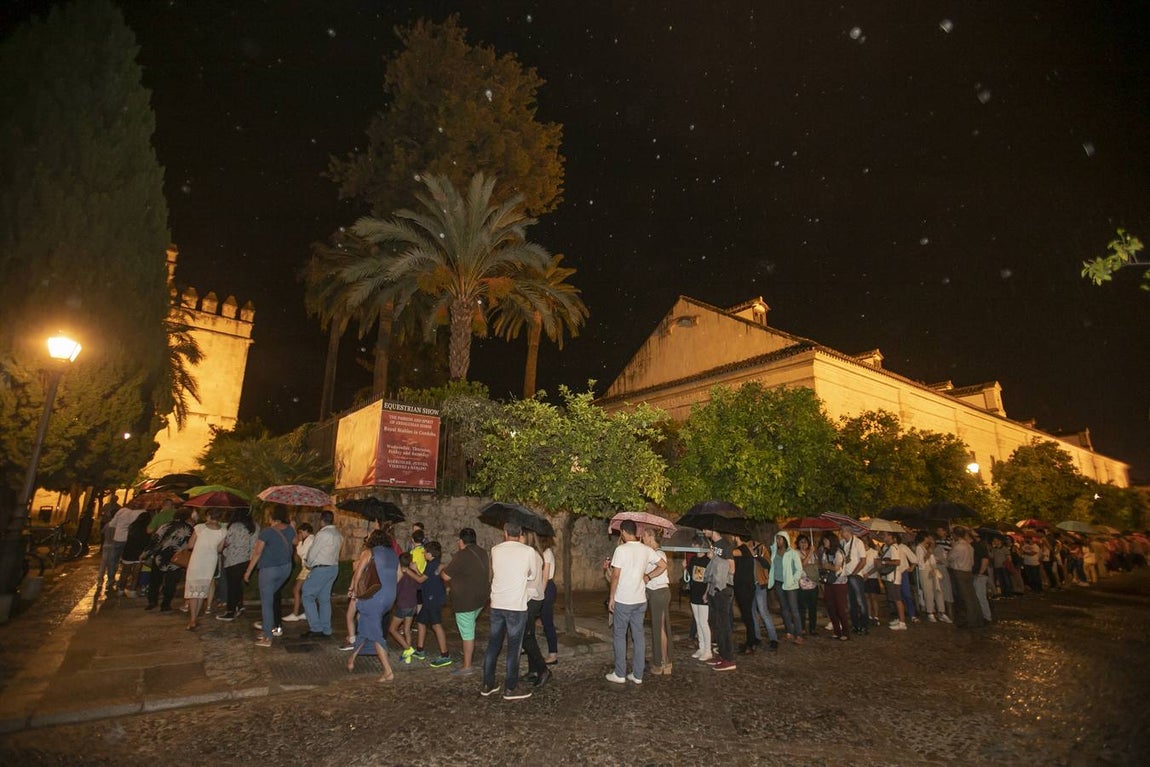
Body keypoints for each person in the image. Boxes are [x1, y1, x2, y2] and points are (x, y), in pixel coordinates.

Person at [482, 522, 538, 700]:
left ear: (505, 533)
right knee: (514, 648)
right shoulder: (528, 551)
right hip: (516, 606)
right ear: (520, 532)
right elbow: (533, 575)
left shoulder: (495, 550)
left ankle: (487, 684)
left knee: (493, 645)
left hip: (497, 603)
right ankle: (510, 687)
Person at [607, 519, 666, 683]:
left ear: (624, 532)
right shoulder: (646, 550)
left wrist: (611, 597)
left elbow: (615, 575)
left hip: (624, 600)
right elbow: (662, 565)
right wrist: (648, 576)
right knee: (638, 636)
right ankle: (638, 675)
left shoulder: (621, 550)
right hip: (640, 600)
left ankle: (620, 674)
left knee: (620, 636)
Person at [346, 528, 399, 682]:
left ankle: (388, 671)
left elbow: (358, 574)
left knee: (376, 634)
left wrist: (354, 593)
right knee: (364, 627)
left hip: (373, 597)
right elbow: (399, 575)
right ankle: (352, 659)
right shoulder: (393, 554)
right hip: (390, 597)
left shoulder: (369, 552)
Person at [244, 505, 295, 647]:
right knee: (270, 598)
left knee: (266, 603)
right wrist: (293, 526)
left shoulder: (267, 532)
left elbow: (257, 552)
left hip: (269, 570)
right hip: (286, 569)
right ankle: (268, 628)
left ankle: (267, 637)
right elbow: (295, 542)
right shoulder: (290, 529)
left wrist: (248, 571)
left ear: (272, 517)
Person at [440, 528, 489, 676]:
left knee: (467, 633)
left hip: (465, 601)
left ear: (461, 541)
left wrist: (442, 569)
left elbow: (446, 577)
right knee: (469, 627)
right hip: (480, 599)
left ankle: (467, 666)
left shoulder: (461, 555)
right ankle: (468, 647)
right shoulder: (482, 552)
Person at [410, 541, 453, 668]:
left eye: (425, 552)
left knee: (436, 625)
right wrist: (416, 570)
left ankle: (445, 655)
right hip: (430, 599)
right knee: (421, 622)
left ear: (430, 554)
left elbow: (419, 579)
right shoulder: (434, 564)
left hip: (432, 600)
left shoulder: (432, 565)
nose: (423, 553)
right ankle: (420, 649)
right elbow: (424, 578)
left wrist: (408, 570)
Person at [301, 510, 343, 639]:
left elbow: (313, 551)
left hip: (321, 568)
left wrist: (308, 563)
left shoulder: (323, 533)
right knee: (324, 599)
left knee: (307, 595)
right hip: (333, 568)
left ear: (322, 520)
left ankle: (316, 628)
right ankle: (326, 629)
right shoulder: (338, 534)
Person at [183, 508, 226, 630]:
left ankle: (192, 619)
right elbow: (219, 549)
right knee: (202, 590)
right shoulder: (223, 531)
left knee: (193, 591)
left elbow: (190, 545)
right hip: (210, 561)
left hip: (197, 560)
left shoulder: (199, 528)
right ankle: (194, 618)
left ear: (208, 516)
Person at [145, 508, 194, 613]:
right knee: (170, 582)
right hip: (176, 558)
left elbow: (155, 539)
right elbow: (190, 545)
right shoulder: (189, 529)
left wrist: (146, 552)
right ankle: (165, 604)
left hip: (160, 557)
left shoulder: (165, 525)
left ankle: (152, 602)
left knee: (155, 580)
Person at [519, 531, 551, 687]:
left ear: (528, 537)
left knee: (526, 637)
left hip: (531, 599)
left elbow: (529, 578)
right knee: (528, 635)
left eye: (522, 535)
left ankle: (543, 669)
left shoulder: (532, 554)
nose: (520, 537)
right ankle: (533, 671)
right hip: (532, 598)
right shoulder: (534, 554)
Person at [641, 528, 673, 674]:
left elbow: (662, 568)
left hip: (658, 592)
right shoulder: (655, 553)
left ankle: (660, 663)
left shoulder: (657, 553)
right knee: (661, 628)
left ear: (650, 536)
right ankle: (666, 663)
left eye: (644, 536)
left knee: (659, 629)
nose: (642, 538)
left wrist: (648, 576)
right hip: (659, 593)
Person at [216, 509, 255, 621]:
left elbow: (227, 542)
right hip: (246, 559)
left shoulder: (234, 526)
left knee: (232, 586)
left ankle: (230, 611)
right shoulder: (253, 526)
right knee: (238, 585)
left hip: (233, 559)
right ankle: (239, 606)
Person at [770, 531, 804, 643]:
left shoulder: (793, 553)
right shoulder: (774, 552)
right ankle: (789, 631)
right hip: (778, 583)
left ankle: (798, 634)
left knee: (794, 609)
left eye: (780, 539)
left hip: (790, 585)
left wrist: (793, 579)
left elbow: (799, 569)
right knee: (784, 608)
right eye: (777, 539)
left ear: (785, 540)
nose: (778, 541)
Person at [948, 527, 985, 628]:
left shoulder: (958, 547)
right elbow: (972, 561)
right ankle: (977, 618)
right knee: (972, 596)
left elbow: (950, 558)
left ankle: (970, 620)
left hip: (959, 572)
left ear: (955, 535)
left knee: (965, 597)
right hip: (968, 571)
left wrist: (952, 548)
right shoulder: (969, 546)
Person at [749, 536, 780, 651]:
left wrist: (756, 555)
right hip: (748, 585)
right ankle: (757, 637)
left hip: (760, 583)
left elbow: (767, 564)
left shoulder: (760, 547)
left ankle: (773, 639)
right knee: (752, 611)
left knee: (763, 611)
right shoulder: (741, 548)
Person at [731, 534, 759, 654]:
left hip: (744, 588)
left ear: (737, 537)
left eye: (733, 536)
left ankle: (751, 644)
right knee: (747, 615)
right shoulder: (746, 549)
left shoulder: (742, 549)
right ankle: (751, 641)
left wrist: (717, 548)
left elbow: (730, 553)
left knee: (747, 616)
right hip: (744, 587)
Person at [819, 532, 850, 640]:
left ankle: (846, 632)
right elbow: (823, 565)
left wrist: (828, 566)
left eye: (826, 541)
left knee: (840, 608)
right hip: (829, 582)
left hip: (840, 583)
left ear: (831, 541)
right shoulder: (826, 553)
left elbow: (837, 568)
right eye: (824, 541)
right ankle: (837, 631)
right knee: (830, 607)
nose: (824, 543)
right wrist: (826, 566)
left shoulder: (838, 552)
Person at [388, 553, 419, 661]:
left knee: (392, 629)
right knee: (406, 629)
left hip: (403, 605)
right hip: (413, 605)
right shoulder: (414, 573)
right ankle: (408, 657)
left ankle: (408, 648)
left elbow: (395, 590)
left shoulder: (400, 575)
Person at [840, 524, 869, 634]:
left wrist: (854, 573)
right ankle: (855, 625)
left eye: (842, 531)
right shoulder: (842, 543)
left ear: (848, 531)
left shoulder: (858, 542)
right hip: (846, 576)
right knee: (851, 603)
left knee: (860, 601)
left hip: (855, 576)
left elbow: (863, 560)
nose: (841, 533)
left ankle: (864, 625)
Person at [117, 510, 153, 598]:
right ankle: (132, 591)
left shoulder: (132, 527)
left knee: (125, 572)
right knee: (136, 573)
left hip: (129, 552)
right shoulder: (147, 529)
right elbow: (147, 542)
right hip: (139, 553)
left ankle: (120, 590)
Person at [284, 522, 314, 621]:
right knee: (306, 591)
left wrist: (300, 542)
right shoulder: (310, 540)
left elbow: (301, 552)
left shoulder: (309, 540)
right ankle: (306, 612)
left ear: (306, 531)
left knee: (296, 589)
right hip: (307, 568)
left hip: (307, 568)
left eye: (300, 532)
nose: (299, 535)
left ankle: (295, 613)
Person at [878, 532, 908, 631]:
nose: (883, 537)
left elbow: (897, 562)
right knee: (895, 598)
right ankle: (900, 619)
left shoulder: (893, 548)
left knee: (897, 599)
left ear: (891, 537)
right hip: (891, 577)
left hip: (893, 577)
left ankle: (902, 622)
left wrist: (884, 562)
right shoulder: (890, 548)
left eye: (885, 535)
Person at [686, 547, 712, 661]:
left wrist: (706, 593)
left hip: (703, 594)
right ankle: (701, 647)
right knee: (697, 621)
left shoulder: (708, 560)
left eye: (695, 545)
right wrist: (684, 568)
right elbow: (690, 576)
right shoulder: (693, 560)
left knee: (703, 622)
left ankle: (708, 650)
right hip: (694, 593)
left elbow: (710, 579)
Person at [538, 535, 560, 665]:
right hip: (542, 587)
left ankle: (553, 654)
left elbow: (545, 576)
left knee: (547, 622)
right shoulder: (542, 552)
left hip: (546, 587)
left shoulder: (547, 553)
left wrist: (540, 593)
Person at [796, 534, 820, 637]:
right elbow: (802, 565)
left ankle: (812, 628)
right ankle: (802, 628)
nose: (804, 544)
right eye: (801, 542)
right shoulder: (796, 553)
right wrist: (810, 554)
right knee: (801, 608)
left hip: (813, 584)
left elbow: (817, 565)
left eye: (805, 542)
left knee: (812, 607)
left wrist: (813, 554)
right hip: (801, 585)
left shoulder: (813, 553)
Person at [971, 528, 994, 623]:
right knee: (979, 595)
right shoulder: (977, 545)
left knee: (981, 596)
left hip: (980, 574)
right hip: (978, 573)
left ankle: (987, 617)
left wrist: (980, 573)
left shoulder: (980, 545)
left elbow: (985, 560)